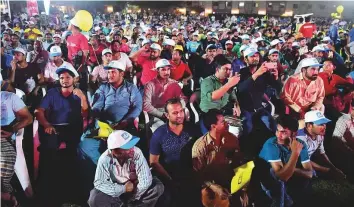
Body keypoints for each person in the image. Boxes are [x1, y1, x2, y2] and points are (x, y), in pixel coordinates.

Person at [35, 64, 88, 205]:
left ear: (74, 79)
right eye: (62, 78)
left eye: (68, 77)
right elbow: (38, 111)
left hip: (73, 128)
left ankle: (74, 188)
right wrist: (46, 124)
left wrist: (83, 98)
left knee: (74, 154)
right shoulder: (52, 92)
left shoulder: (79, 94)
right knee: (50, 153)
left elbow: (86, 115)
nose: (64, 80)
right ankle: (51, 188)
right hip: (54, 127)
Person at [87, 130, 164, 207]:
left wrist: (134, 195)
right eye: (127, 147)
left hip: (136, 186)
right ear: (115, 151)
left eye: (132, 145)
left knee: (157, 187)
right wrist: (123, 188)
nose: (132, 149)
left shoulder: (137, 152)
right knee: (94, 198)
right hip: (116, 188)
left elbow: (145, 180)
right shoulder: (104, 159)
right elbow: (99, 183)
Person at [149, 98, 201, 206]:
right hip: (170, 174)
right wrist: (170, 180)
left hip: (192, 172)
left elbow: (202, 149)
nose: (180, 115)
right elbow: (154, 162)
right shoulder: (159, 134)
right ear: (167, 115)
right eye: (175, 113)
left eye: (181, 111)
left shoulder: (193, 129)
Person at [192, 109, 246, 207]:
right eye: (223, 122)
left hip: (229, 181)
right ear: (213, 126)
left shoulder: (231, 139)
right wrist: (215, 187)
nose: (227, 124)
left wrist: (242, 188)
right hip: (209, 185)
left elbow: (239, 163)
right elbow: (198, 175)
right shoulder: (200, 147)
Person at [259, 115, 313, 206]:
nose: (278, 135)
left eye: (283, 132)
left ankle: (293, 199)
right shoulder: (271, 144)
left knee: (307, 180)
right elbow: (281, 176)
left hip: (288, 179)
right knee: (275, 174)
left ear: (294, 134)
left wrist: (290, 169)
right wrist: (295, 153)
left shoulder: (300, 144)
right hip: (265, 179)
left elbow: (310, 173)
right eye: (277, 130)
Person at [237, 47, 280, 137]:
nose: (255, 58)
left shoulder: (264, 73)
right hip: (245, 109)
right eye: (252, 56)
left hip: (259, 107)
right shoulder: (242, 72)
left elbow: (276, 88)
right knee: (248, 129)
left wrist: (276, 78)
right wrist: (256, 74)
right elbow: (241, 89)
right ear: (246, 59)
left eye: (257, 56)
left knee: (271, 127)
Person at [1, 90, 33, 207]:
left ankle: (8, 197)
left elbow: (28, 118)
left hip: (6, 140)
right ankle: (7, 197)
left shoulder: (10, 97)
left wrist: (12, 129)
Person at [297, 110, 346, 179]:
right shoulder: (301, 139)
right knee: (311, 174)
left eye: (325, 123)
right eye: (321, 124)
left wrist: (334, 168)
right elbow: (303, 160)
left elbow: (321, 153)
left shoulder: (319, 135)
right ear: (309, 125)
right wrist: (329, 170)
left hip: (306, 162)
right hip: (296, 164)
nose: (325, 127)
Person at [143, 59, 187, 132]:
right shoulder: (150, 85)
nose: (166, 72)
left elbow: (182, 98)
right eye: (163, 70)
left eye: (168, 69)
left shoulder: (174, 83)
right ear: (157, 71)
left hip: (173, 112)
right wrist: (162, 114)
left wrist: (180, 109)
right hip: (156, 115)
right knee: (162, 131)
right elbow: (146, 105)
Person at [67, 16, 89, 91]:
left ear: (72, 25)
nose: (68, 25)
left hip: (80, 68)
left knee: (82, 90)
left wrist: (79, 68)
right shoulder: (69, 37)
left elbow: (85, 54)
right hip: (70, 66)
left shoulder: (82, 37)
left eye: (69, 23)